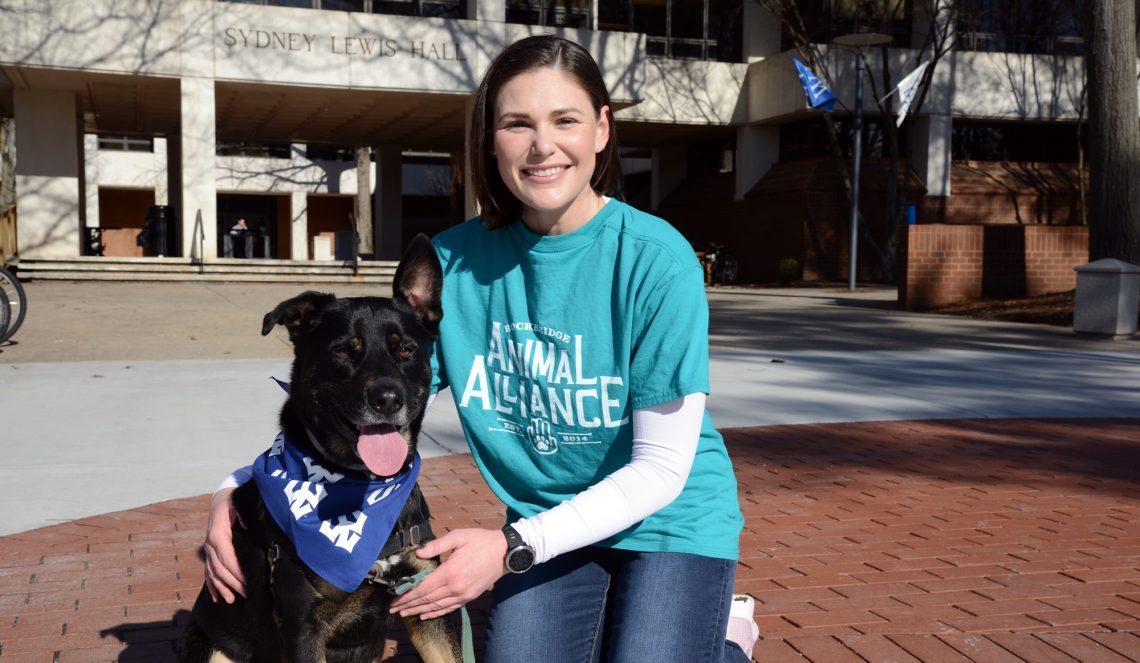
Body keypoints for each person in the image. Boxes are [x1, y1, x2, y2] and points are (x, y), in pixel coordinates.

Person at [203, 35, 758, 662]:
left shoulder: (656, 260)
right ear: (490, 142)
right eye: (518, 124)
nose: (542, 146)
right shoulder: (453, 266)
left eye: (565, 121)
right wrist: (235, 488)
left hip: (669, 520)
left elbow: (660, 471)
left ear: (602, 130)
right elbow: (369, 391)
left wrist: (510, 550)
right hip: (547, 515)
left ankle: (726, 637)